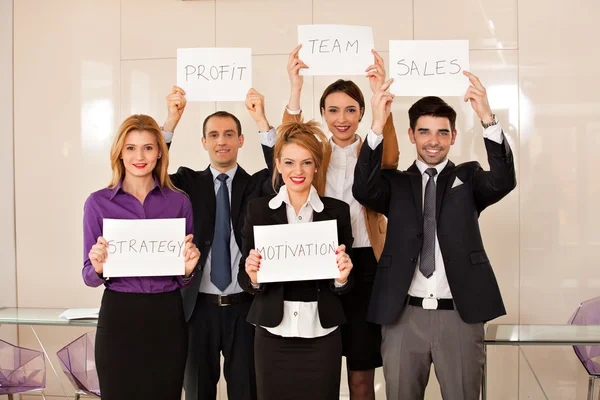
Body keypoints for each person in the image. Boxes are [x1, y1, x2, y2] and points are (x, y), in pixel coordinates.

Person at [353, 74, 517, 400]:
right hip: (402, 316)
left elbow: (503, 180)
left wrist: (487, 118)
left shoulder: (468, 179)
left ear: (453, 136)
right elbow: (363, 189)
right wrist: (376, 124)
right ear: (411, 135)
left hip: (459, 315)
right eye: (425, 131)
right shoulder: (395, 184)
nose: (433, 140)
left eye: (442, 132)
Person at [279, 44, 399, 399]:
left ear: (363, 113)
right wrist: (295, 87)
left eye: (350, 109)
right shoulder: (315, 153)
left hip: (366, 264)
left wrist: (380, 97)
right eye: (332, 110)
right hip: (320, 262)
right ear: (323, 113)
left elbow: (390, 154)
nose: (341, 118)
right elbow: (288, 143)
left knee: (361, 375)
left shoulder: (375, 149)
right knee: (320, 370)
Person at [161, 87, 276, 400]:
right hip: (197, 310)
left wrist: (261, 120)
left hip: (245, 307)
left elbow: (282, 170)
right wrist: (172, 120)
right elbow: (155, 172)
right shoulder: (186, 182)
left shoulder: (257, 185)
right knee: (198, 392)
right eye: (214, 135)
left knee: (247, 391)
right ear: (204, 142)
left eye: (229, 134)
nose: (221, 141)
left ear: (241, 140)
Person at [82, 114, 201, 400]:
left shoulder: (179, 202)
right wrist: (98, 267)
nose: (140, 156)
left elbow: (183, 277)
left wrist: (187, 269)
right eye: (131, 148)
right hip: (119, 316)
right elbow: (88, 276)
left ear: (160, 152)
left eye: (148, 147)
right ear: (120, 154)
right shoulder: (97, 203)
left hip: (167, 316)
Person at [240, 120, 354, 400]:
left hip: (322, 333)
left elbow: (342, 285)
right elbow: (246, 277)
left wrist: (342, 278)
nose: (298, 171)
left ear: (316, 165)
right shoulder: (259, 211)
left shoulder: (337, 212)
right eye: (289, 162)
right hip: (272, 333)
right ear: (277, 164)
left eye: (306, 163)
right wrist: (253, 277)